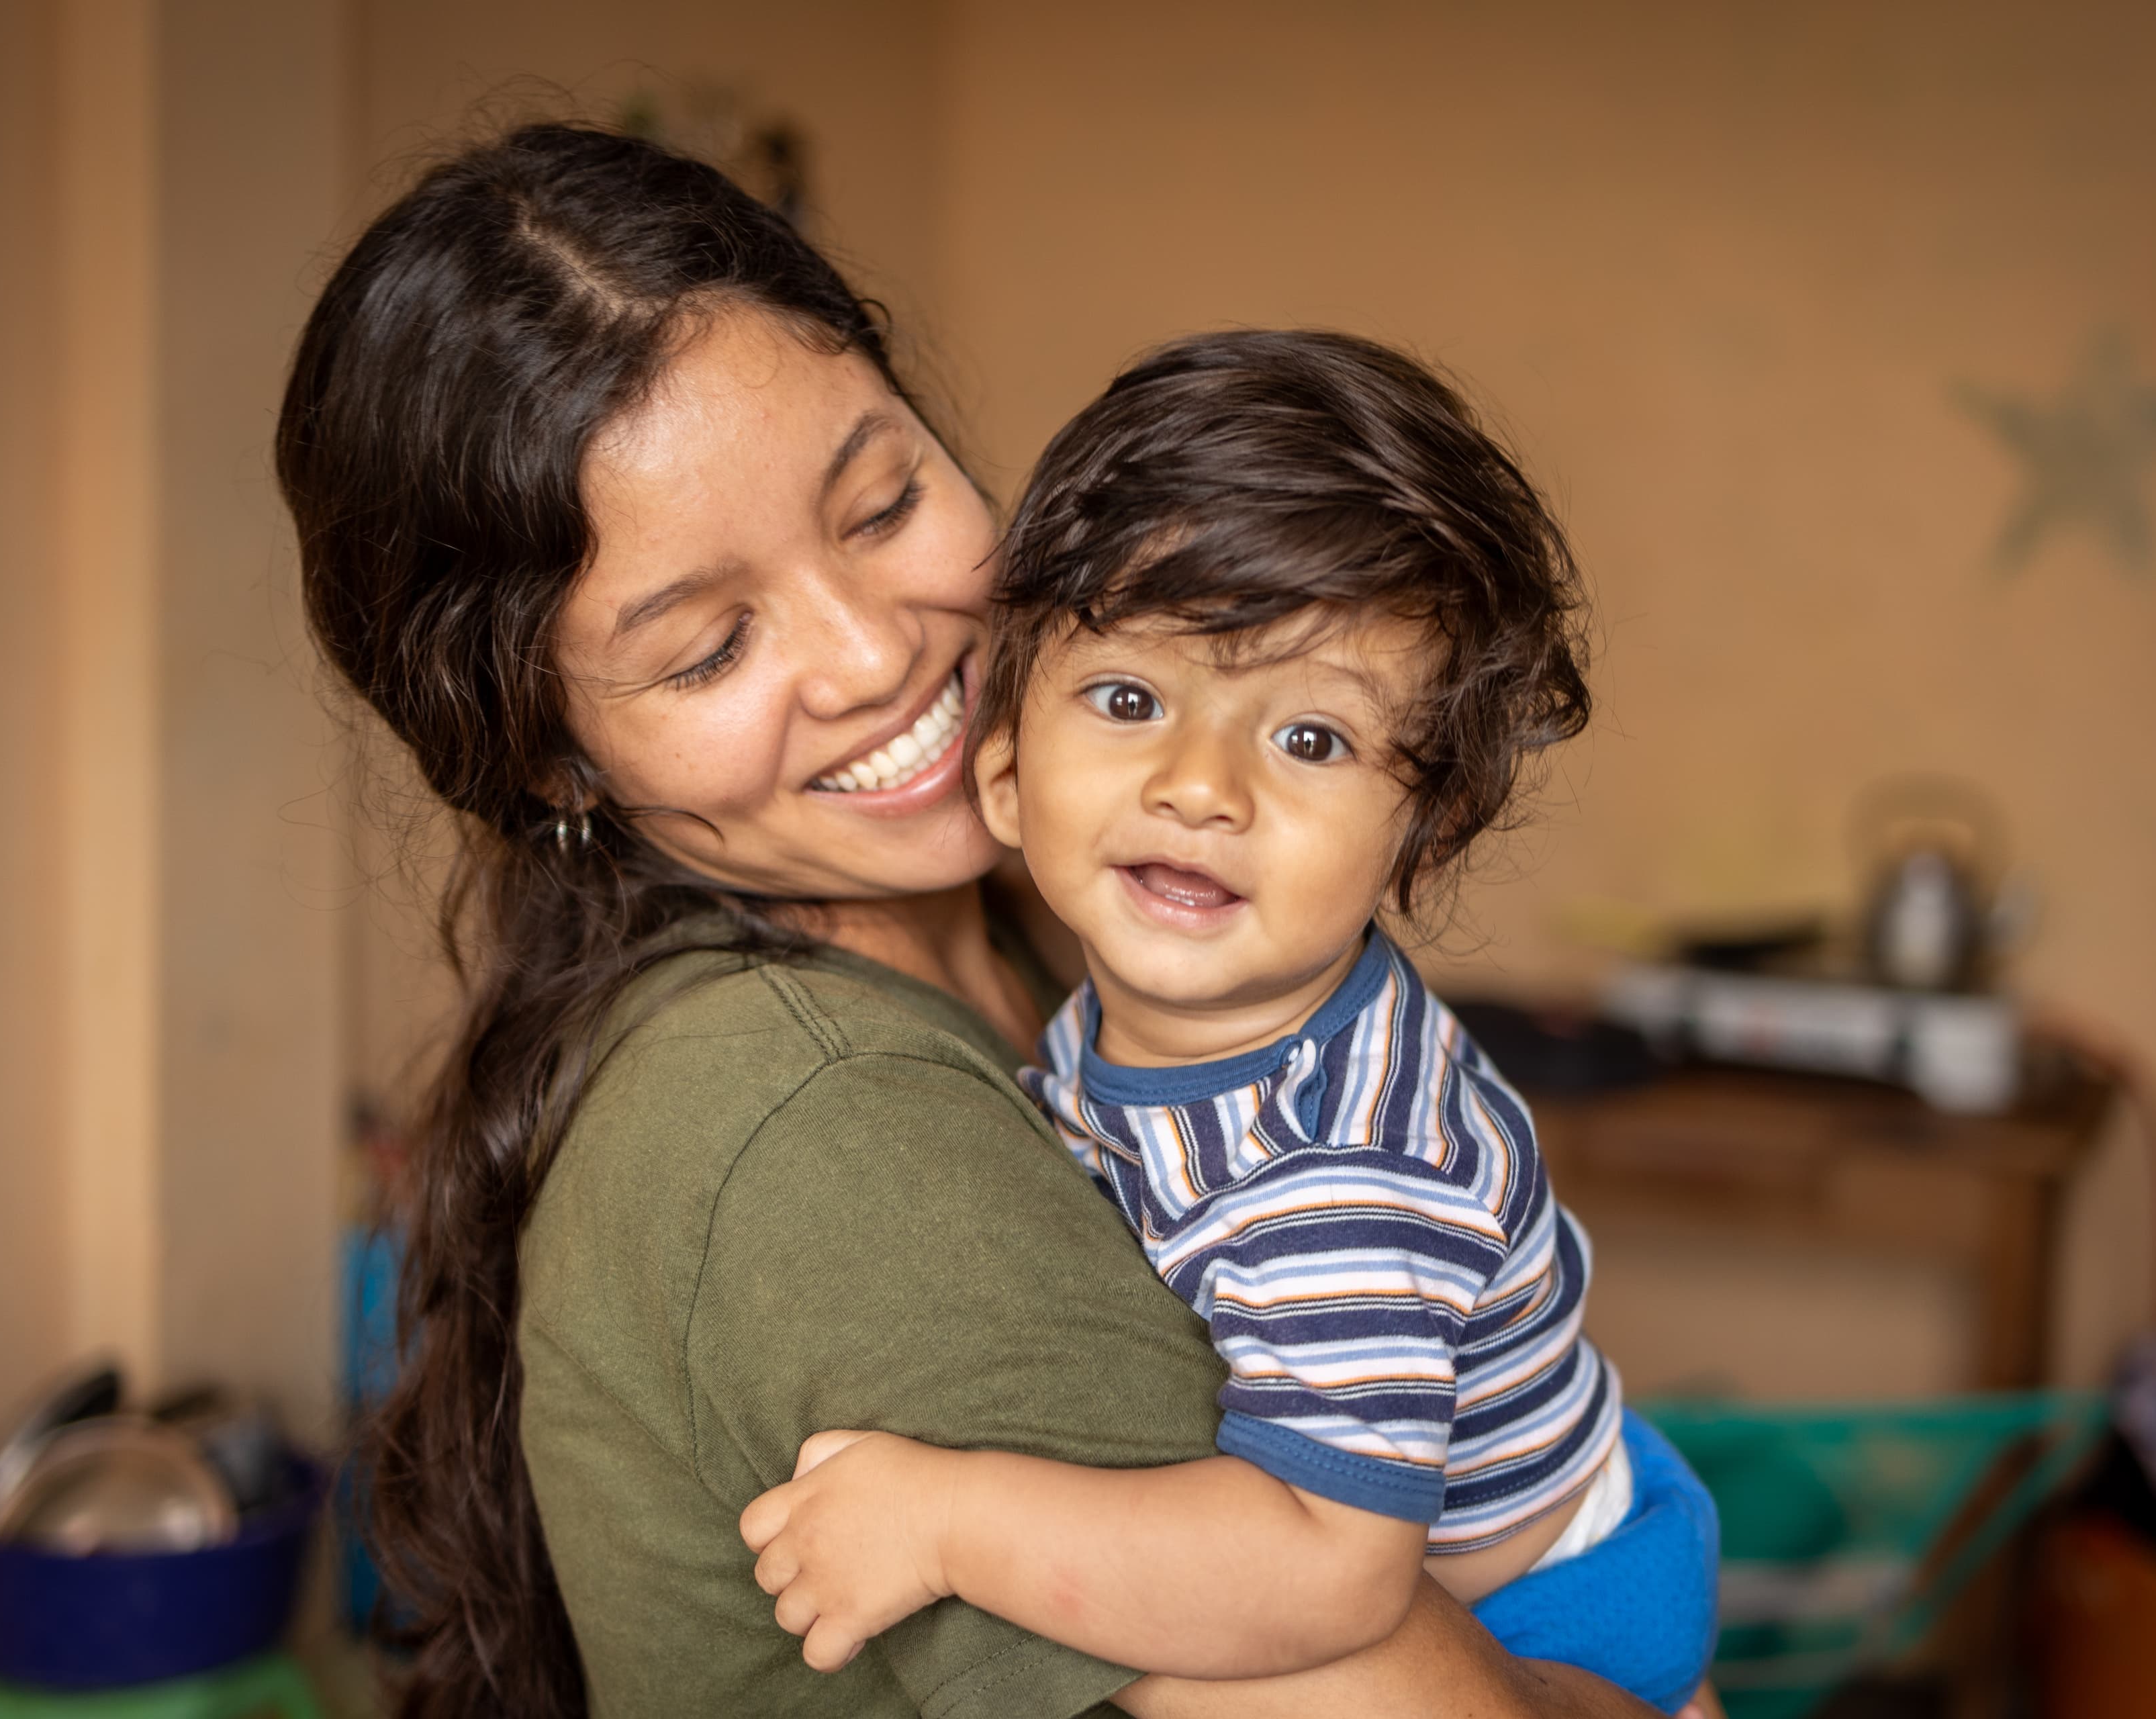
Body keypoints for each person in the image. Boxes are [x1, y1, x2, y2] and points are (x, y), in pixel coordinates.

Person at [277, 122, 1671, 1719]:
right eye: (711, 646)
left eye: (879, 505)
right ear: (552, 755)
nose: (875, 655)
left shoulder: (1067, 923)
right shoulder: (819, 1113)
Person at [736, 332, 1720, 1715]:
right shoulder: (1139, 1007)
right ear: (1003, 770)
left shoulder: (1343, 1174)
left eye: (1309, 738)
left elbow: (1325, 1574)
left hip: (1556, 1616)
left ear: (1422, 840)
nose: (1200, 785)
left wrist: (948, 1524)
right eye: (1130, 699)